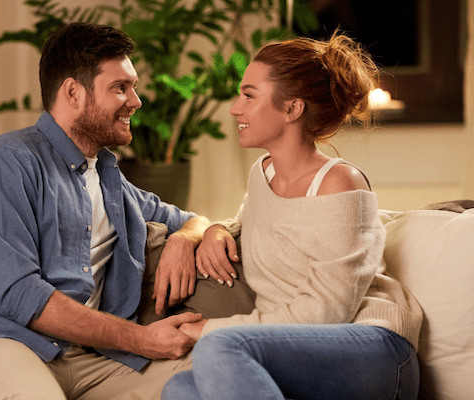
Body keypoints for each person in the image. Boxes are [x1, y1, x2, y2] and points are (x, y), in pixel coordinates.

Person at [0, 22, 213, 400]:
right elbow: (19, 296)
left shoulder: (110, 179)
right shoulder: (5, 163)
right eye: (120, 88)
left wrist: (186, 238)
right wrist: (143, 340)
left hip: (82, 358)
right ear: (73, 92)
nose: (136, 101)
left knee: (213, 376)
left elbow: (198, 220)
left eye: (134, 86)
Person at [162, 31, 423, 400]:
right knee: (180, 389)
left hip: (373, 350)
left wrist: (209, 329)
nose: (236, 108)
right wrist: (217, 230)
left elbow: (328, 309)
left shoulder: (340, 183)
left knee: (219, 347)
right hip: (293, 353)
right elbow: (265, 226)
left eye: (249, 95)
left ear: (291, 108)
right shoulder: (262, 174)